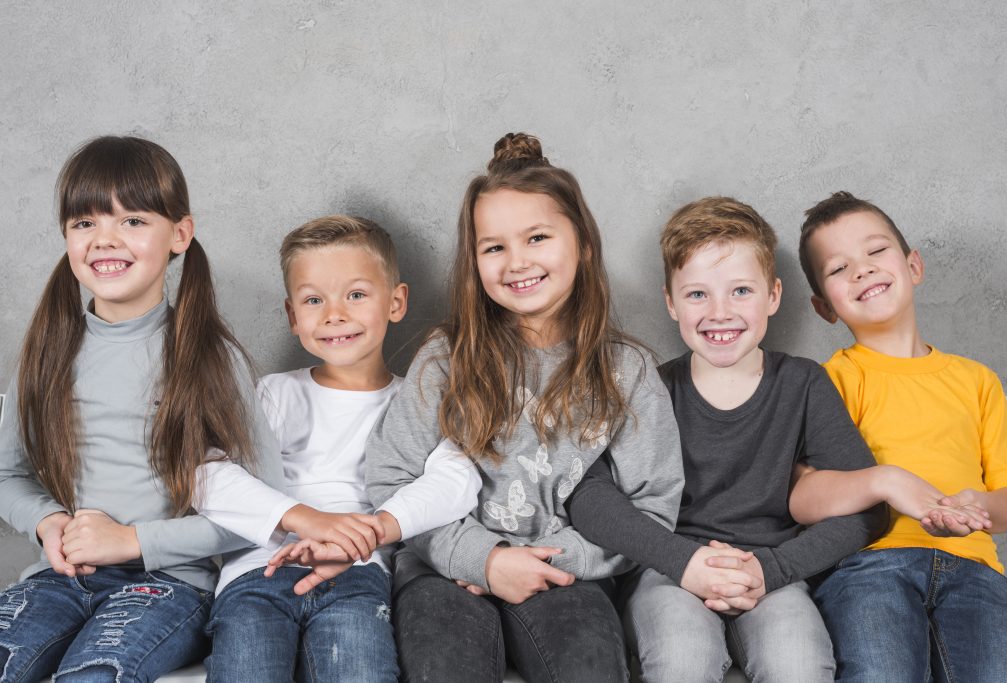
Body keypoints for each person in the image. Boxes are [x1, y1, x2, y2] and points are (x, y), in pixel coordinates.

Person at [364, 132, 684, 683]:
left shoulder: (625, 370)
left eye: (537, 237)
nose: (517, 262)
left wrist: (549, 562)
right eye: (494, 247)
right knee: (445, 668)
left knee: (590, 669)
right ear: (474, 260)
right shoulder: (446, 356)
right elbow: (393, 480)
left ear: (583, 243)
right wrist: (483, 560)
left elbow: (652, 509)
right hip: (444, 570)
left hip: (565, 574)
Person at [567, 196, 887, 682]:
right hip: (669, 570)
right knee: (683, 659)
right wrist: (684, 561)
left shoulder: (803, 384)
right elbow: (589, 496)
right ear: (671, 302)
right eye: (697, 294)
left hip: (775, 574)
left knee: (798, 663)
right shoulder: (650, 389)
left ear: (773, 295)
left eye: (741, 291)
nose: (720, 313)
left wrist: (772, 569)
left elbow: (868, 510)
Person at [0, 136, 284, 682]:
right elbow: (8, 475)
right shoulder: (45, 351)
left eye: (132, 220)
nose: (105, 239)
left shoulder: (210, 357)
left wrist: (132, 541)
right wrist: (49, 523)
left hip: (169, 586)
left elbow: (264, 513)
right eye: (85, 223)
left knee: (92, 676)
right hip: (58, 579)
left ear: (179, 234)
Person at [194, 215, 481, 682]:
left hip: (358, 573)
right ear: (292, 316)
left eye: (356, 294)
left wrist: (368, 533)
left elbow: (457, 479)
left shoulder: (417, 401)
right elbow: (205, 473)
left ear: (396, 302)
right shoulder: (274, 394)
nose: (334, 314)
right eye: (314, 300)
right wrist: (306, 519)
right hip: (259, 571)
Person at [796, 190, 1007, 681]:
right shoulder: (829, 382)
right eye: (839, 268)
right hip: (869, 569)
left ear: (913, 265)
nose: (862, 270)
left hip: (976, 573)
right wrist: (883, 481)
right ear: (823, 306)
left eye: (876, 251)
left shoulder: (977, 381)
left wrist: (977, 507)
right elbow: (803, 496)